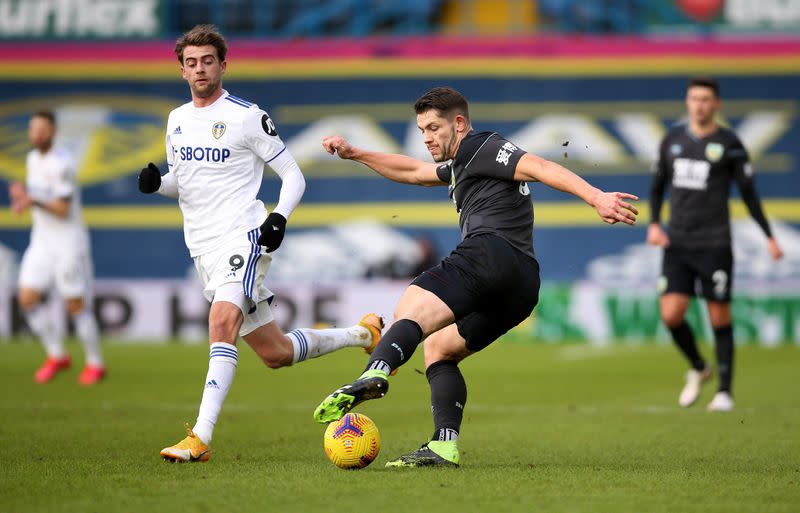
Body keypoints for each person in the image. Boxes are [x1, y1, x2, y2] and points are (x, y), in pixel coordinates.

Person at [312, 86, 640, 467]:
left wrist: (595, 197)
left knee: (411, 306)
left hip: (491, 253)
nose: (427, 138)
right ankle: (443, 445)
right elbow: (414, 172)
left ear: (460, 123)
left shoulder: (480, 146)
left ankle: (376, 372)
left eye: (434, 128)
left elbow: (540, 166)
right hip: (521, 284)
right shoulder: (461, 164)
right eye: (422, 131)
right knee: (439, 350)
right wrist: (356, 154)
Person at [138, 24, 383, 463]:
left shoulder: (247, 116)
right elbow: (185, 184)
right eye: (191, 63)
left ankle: (200, 436)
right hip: (203, 247)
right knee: (275, 353)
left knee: (220, 322)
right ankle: (363, 334)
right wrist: (159, 184)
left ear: (223, 65)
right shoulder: (176, 120)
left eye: (207, 61)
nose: (199, 69)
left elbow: (294, 174)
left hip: (243, 235)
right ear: (181, 70)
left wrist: (278, 219)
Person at [647, 77, 783, 412]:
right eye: (694, 98)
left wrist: (768, 236)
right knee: (671, 314)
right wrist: (653, 224)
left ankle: (724, 391)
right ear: (687, 102)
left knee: (718, 315)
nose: (700, 105)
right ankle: (698, 366)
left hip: (714, 243)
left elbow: (749, 195)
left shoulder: (731, 144)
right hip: (677, 241)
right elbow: (656, 187)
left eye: (706, 99)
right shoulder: (672, 141)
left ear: (717, 104)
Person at [8, 110, 105, 385]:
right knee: (26, 299)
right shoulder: (32, 159)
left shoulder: (63, 163)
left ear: (52, 132)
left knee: (75, 304)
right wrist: (24, 201)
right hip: (41, 242)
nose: (36, 134)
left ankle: (95, 363)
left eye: (42, 129)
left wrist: (32, 200)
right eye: (32, 129)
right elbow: (36, 200)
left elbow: (62, 209)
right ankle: (57, 355)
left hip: (68, 244)